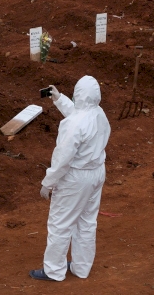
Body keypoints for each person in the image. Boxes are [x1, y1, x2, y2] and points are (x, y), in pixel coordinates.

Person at [30, 76, 111, 282]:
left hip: (75, 178)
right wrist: (59, 99)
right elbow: (80, 116)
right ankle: (81, 267)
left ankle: (54, 270)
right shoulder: (99, 114)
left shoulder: (73, 124)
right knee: (86, 222)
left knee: (60, 224)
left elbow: (62, 159)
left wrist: (48, 183)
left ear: (79, 95)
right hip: (96, 174)